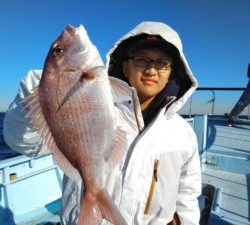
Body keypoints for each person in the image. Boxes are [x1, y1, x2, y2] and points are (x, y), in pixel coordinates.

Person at [3, 21, 201, 225]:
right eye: (142, 60)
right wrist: (40, 93)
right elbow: (24, 141)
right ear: (125, 66)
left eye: (162, 63)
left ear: (171, 72)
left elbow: (187, 195)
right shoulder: (99, 103)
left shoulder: (183, 134)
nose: (152, 70)